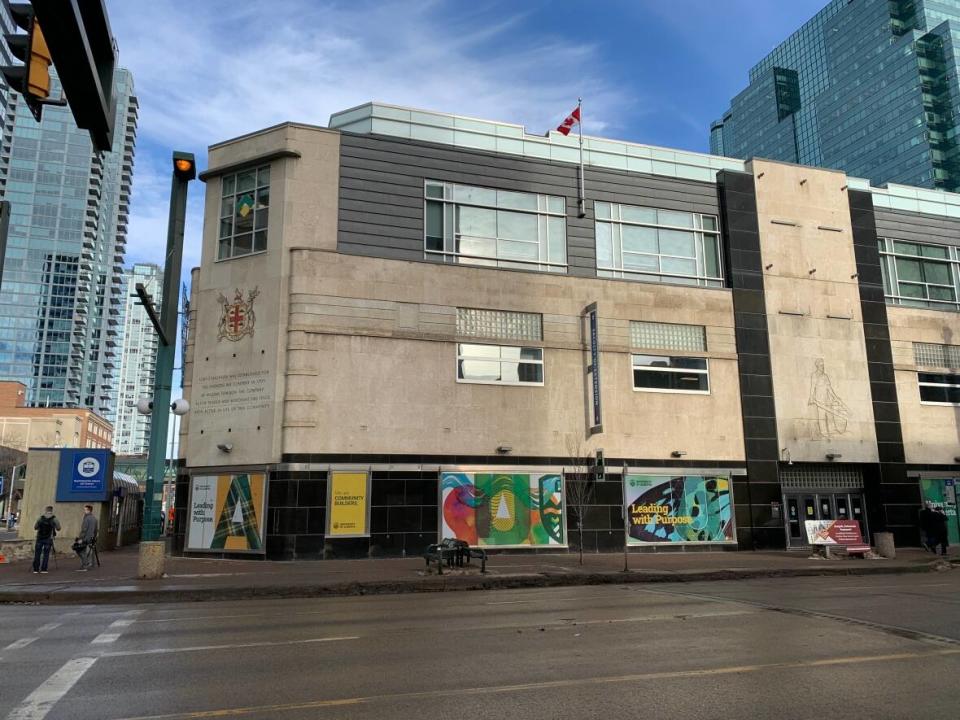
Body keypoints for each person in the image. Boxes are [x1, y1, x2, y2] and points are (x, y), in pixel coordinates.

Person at [32, 506, 60, 574]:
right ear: (51, 510)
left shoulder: (40, 518)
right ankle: (44, 569)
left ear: (46, 510)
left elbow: (35, 527)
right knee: (46, 554)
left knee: (37, 553)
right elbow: (58, 528)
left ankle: (36, 569)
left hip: (39, 538)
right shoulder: (54, 518)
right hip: (48, 538)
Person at [76, 504, 98, 571]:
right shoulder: (95, 519)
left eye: (85, 510)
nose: (84, 511)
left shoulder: (86, 518)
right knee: (88, 551)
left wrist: (80, 538)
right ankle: (89, 563)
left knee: (80, 550)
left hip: (85, 538)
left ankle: (85, 565)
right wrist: (94, 537)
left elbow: (84, 530)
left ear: (88, 510)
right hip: (91, 537)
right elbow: (96, 529)